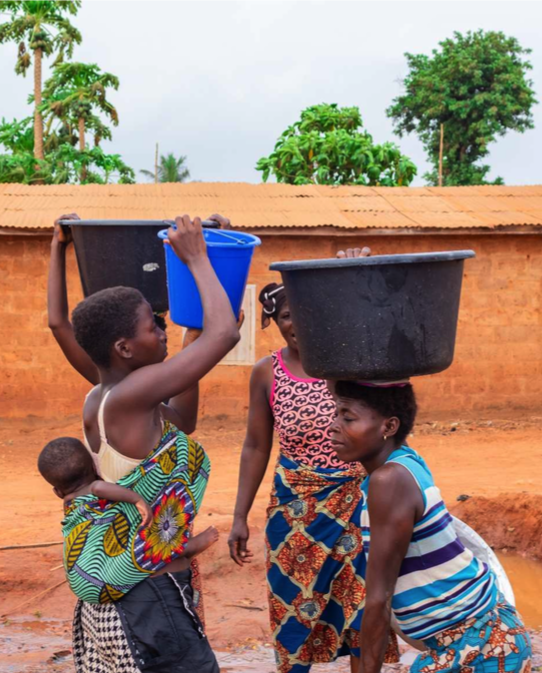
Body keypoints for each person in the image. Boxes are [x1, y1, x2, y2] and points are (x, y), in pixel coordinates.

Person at [62, 214, 240, 673]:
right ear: (124, 348)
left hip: (142, 589)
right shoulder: (129, 397)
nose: (161, 331)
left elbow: (186, 419)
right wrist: (198, 258)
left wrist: (192, 334)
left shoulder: (105, 398)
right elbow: (228, 334)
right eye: (152, 326)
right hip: (152, 594)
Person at [227, 248, 398, 673]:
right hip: (294, 513)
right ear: (275, 321)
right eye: (287, 315)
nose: (297, 324)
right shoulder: (267, 372)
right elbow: (254, 446)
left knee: (363, 614)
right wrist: (239, 516)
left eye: (306, 313)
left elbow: (389, 337)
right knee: (293, 614)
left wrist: (356, 277)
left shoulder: (350, 362)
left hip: (357, 507)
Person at [328, 380, 532, 673]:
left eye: (347, 418)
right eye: (335, 414)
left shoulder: (389, 481)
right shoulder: (407, 461)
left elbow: (378, 598)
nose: (334, 426)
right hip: (487, 635)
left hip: (480, 646)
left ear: (389, 426)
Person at [38, 436, 220, 599]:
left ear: (57, 492)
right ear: (94, 466)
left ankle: (178, 553)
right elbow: (100, 489)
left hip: (80, 579)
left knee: (126, 554)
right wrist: (137, 499)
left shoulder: (69, 503)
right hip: (104, 579)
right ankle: (186, 549)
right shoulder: (94, 487)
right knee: (145, 549)